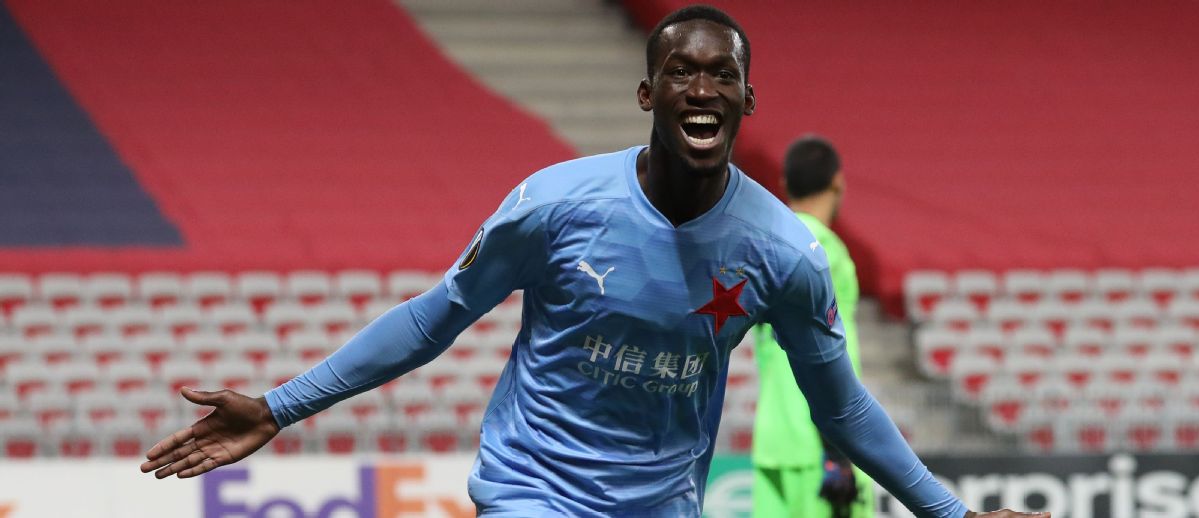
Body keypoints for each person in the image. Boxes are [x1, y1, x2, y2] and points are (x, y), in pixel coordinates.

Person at [140, 5, 1047, 518]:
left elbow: (839, 401)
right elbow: (434, 319)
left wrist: (953, 517)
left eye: (721, 75)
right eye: (684, 73)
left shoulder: (783, 253)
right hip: (535, 490)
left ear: (746, 98)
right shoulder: (556, 206)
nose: (703, 89)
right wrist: (280, 406)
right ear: (649, 92)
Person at [751, 136, 872, 518]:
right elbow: (829, 349)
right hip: (819, 444)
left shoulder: (764, 243)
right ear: (838, 181)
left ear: (785, 185)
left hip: (773, 439)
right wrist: (838, 449)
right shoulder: (826, 252)